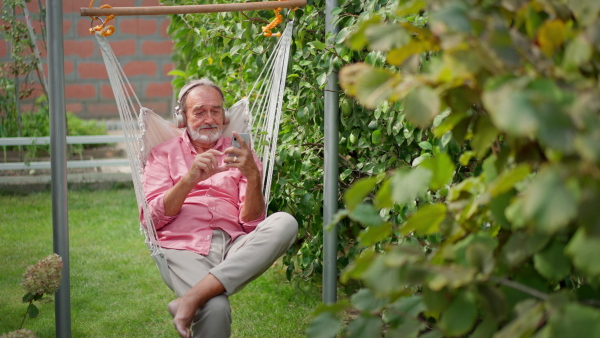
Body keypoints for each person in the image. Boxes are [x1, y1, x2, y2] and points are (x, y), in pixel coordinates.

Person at [141, 78, 298, 338]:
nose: (209, 119)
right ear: (183, 118)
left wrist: (253, 176)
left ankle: (191, 298)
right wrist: (189, 179)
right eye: (199, 112)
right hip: (183, 246)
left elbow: (251, 223)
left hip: (233, 246)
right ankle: (201, 298)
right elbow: (151, 220)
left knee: (285, 222)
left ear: (225, 116)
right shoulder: (163, 154)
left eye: (215, 111)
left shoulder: (242, 154)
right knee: (215, 307)